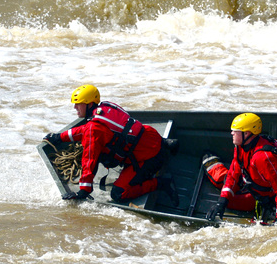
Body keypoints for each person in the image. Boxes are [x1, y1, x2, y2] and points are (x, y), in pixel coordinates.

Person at [44, 84, 178, 204]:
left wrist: (84, 191)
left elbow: (89, 159)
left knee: (118, 193)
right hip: (153, 137)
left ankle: (162, 183)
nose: (75, 107)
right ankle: (167, 143)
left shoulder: (94, 128)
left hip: (148, 157)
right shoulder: (106, 107)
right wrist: (59, 137)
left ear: (89, 105)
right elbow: (88, 130)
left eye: (78, 104)